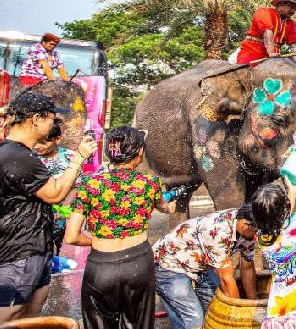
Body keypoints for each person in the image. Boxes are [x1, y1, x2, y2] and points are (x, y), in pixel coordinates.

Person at [65, 126, 175, 329]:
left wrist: (99, 242)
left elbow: (71, 237)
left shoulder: (90, 184)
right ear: (140, 152)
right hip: (138, 265)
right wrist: (171, 204)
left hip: (101, 267)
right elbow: (165, 207)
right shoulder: (149, 183)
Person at [0, 92, 95, 322]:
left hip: (36, 250)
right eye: (52, 118)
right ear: (36, 119)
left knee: (31, 319)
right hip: (18, 254)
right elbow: (55, 194)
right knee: (9, 317)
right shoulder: (16, 156)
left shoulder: (22, 154)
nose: (54, 124)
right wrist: (79, 157)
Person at [153, 206, 259, 329]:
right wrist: (239, 317)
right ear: (245, 225)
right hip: (169, 264)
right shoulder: (219, 230)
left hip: (199, 265)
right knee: (194, 319)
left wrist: (253, 307)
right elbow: (226, 280)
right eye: (256, 231)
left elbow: (247, 268)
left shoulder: (249, 230)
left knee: (216, 306)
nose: (257, 235)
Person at [251, 152, 296, 329]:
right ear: (285, 208)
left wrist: (291, 188)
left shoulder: (262, 238)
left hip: (276, 312)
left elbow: (281, 221)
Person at [33, 121, 78, 257]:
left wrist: (64, 208)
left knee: (55, 246)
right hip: (35, 213)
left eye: (44, 143)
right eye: (37, 142)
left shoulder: (71, 157)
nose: (38, 147)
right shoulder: (31, 157)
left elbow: (77, 185)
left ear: (57, 139)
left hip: (59, 213)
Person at [237, 0, 296, 64]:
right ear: (280, 4)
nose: (292, 11)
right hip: (252, 52)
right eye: (290, 7)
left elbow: (294, 43)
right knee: (244, 70)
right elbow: (268, 32)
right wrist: (271, 53)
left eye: (294, 8)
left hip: (274, 58)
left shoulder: (291, 23)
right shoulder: (265, 12)